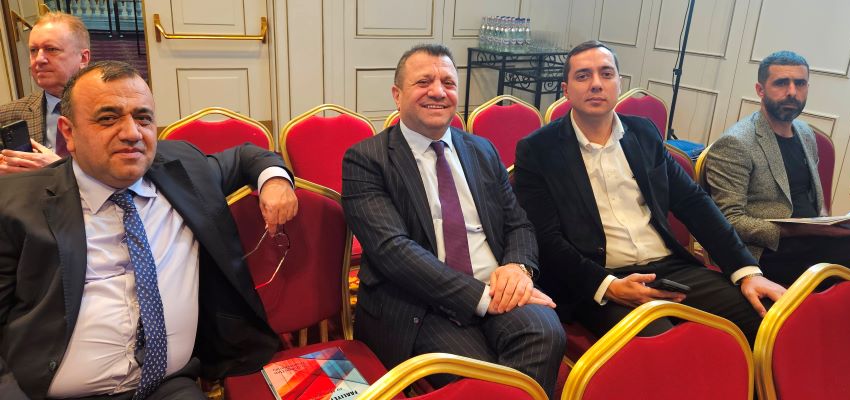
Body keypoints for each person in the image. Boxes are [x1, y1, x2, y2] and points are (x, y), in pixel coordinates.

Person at [0, 61, 298, 399]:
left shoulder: (183, 169)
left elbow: (248, 156)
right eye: (108, 118)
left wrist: (274, 180)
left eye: (143, 118)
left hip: (167, 384)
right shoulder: (16, 204)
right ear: (68, 132)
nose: (132, 133)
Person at [514, 40, 785, 345]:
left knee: (770, 317)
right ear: (566, 90)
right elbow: (546, 239)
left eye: (606, 74)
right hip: (600, 277)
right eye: (583, 76)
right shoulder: (538, 149)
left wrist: (747, 272)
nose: (596, 84)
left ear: (619, 83)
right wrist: (607, 285)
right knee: (662, 347)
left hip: (669, 268)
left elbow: (694, 203)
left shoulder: (643, 133)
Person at [342, 43, 565, 396]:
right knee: (484, 379)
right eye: (423, 82)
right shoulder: (366, 160)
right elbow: (392, 251)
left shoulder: (481, 149)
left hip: (497, 286)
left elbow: (518, 224)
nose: (438, 92)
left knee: (546, 333)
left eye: (448, 83)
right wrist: (482, 297)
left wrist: (518, 268)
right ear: (397, 95)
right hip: (420, 305)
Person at [705, 50, 850, 286]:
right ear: (760, 90)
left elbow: (811, 197)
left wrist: (829, 224)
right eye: (781, 83)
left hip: (813, 240)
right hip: (769, 251)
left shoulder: (806, 133)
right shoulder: (736, 143)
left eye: (800, 83)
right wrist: (796, 231)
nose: (792, 92)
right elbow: (728, 220)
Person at [0, 11, 90, 174]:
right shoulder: (7, 115)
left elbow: (127, 174)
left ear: (83, 58)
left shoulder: (115, 111)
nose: (39, 59)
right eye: (34, 50)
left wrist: (57, 170)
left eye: (51, 49)